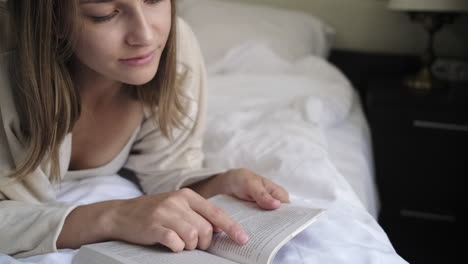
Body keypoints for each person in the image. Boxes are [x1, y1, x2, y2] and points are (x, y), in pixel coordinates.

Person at [0, 0, 290, 258]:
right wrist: (111, 218)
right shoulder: (7, 70)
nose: (146, 36)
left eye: (154, 0)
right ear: (52, 19)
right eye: (105, 14)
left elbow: (166, 167)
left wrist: (216, 185)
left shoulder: (175, 46)